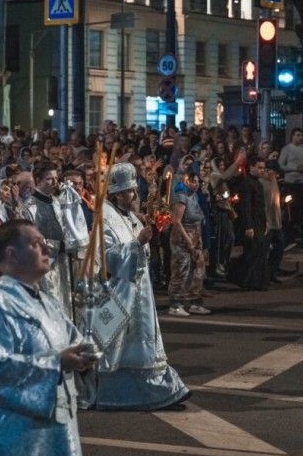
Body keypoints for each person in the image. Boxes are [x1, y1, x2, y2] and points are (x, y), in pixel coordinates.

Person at [0, 220, 94, 456]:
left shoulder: (47, 302)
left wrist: (86, 353)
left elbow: (73, 340)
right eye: (37, 244)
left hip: (55, 432)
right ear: (12, 253)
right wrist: (56, 363)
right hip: (13, 438)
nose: (47, 250)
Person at [79, 162, 189, 412]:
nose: (135, 195)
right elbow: (105, 258)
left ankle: (157, 388)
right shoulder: (104, 218)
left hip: (139, 291)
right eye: (130, 191)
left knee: (144, 343)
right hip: (117, 295)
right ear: (117, 193)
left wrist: (145, 240)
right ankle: (117, 394)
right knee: (117, 348)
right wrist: (136, 243)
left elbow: (143, 252)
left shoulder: (130, 217)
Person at [24, 162, 89, 318]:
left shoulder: (57, 202)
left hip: (63, 261)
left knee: (66, 301)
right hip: (44, 265)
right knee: (51, 301)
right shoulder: (30, 207)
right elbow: (31, 239)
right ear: (37, 180)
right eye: (49, 179)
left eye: (55, 178)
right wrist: (57, 246)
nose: (54, 183)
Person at [168, 171, 210, 316]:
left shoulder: (194, 196)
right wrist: (188, 241)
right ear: (187, 181)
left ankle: (194, 301)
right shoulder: (182, 197)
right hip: (183, 236)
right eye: (193, 182)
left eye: (198, 182)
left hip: (196, 234)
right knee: (182, 269)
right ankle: (175, 303)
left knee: (198, 269)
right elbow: (177, 221)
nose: (196, 184)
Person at [228, 155, 268, 291]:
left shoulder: (257, 183)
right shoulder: (247, 183)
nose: (262, 170)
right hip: (252, 221)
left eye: (263, 168)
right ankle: (247, 280)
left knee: (259, 251)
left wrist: (266, 223)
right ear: (251, 168)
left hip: (259, 221)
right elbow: (246, 207)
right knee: (253, 251)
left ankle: (255, 281)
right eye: (260, 167)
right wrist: (249, 226)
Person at [278, 129, 303, 247]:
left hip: (302, 184)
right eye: (297, 135)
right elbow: (281, 165)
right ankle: (289, 236)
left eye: (301, 135)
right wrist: (295, 169)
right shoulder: (287, 149)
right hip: (290, 184)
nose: (300, 137)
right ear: (292, 136)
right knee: (290, 210)